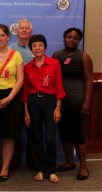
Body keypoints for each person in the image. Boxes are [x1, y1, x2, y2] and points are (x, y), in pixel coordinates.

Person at [22, 34, 66, 183]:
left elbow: (59, 86)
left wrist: (58, 108)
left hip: (50, 102)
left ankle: (52, 170)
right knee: (37, 137)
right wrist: (26, 112)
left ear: (45, 47)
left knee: (50, 139)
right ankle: (40, 169)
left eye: (40, 45)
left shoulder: (54, 63)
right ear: (31, 49)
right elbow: (26, 92)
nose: (37, 48)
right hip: (33, 103)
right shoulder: (27, 67)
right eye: (34, 46)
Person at [0, 24, 24, 182]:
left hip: (12, 98)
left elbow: (20, 79)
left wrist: (9, 98)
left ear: (8, 37)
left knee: (9, 136)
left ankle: (5, 168)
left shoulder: (16, 55)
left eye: (2, 35)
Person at [52, 28, 93, 180]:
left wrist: (87, 102)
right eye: (69, 37)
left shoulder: (84, 56)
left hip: (77, 101)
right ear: (64, 38)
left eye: (75, 38)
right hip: (60, 102)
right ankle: (70, 161)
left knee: (77, 133)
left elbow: (89, 80)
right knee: (63, 132)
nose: (71, 40)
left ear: (79, 40)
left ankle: (83, 166)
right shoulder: (57, 55)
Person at [9, 18, 37, 171]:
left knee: (33, 128)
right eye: (22, 28)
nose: (24, 30)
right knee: (16, 129)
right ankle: (15, 161)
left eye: (27, 28)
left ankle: (33, 160)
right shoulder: (11, 49)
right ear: (16, 31)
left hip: (33, 94)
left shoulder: (37, 49)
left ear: (30, 31)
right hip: (16, 94)